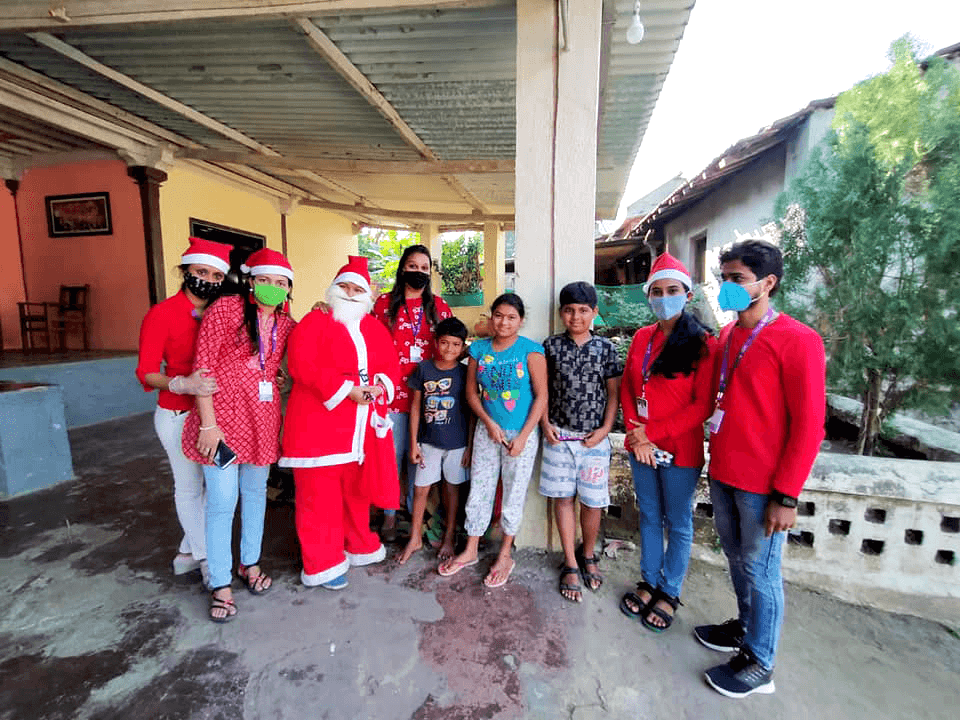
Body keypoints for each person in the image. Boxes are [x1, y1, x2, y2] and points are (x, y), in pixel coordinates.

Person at [695, 239, 825, 698]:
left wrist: (787, 495)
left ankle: (760, 661)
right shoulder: (728, 337)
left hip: (764, 486)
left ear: (768, 283)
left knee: (763, 571)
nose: (727, 287)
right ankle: (745, 629)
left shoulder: (798, 340)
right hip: (726, 472)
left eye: (737, 279)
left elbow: (810, 426)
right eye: (723, 278)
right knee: (737, 560)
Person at [182, 248, 296, 623]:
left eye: (282, 284)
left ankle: (250, 563)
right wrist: (208, 424)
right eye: (266, 280)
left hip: (261, 421)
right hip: (222, 422)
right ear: (251, 280)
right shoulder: (226, 310)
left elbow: (281, 367)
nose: (273, 288)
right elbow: (203, 368)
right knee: (221, 500)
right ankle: (220, 582)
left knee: (254, 496)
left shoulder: (286, 323)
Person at [279, 256, 401, 590]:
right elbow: (301, 365)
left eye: (356, 288)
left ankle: (359, 545)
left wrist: (380, 387)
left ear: (368, 294)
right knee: (318, 499)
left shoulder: (374, 327)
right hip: (318, 428)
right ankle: (324, 563)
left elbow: (391, 368)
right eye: (343, 286)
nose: (349, 293)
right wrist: (347, 390)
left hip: (359, 432)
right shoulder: (314, 323)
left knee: (355, 494)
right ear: (332, 289)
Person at [618, 254, 717, 631]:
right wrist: (634, 431)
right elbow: (629, 388)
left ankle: (670, 591)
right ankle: (649, 580)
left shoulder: (703, 343)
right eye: (656, 292)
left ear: (687, 294)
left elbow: (702, 406)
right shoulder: (643, 337)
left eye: (671, 291)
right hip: (640, 446)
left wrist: (649, 434)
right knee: (648, 515)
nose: (663, 298)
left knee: (677, 522)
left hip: (680, 450)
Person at [136, 238, 234, 587]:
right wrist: (180, 384)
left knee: (215, 487)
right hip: (177, 413)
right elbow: (146, 371)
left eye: (215, 275)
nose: (207, 279)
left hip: (219, 414)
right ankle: (207, 558)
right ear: (186, 272)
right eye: (200, 272)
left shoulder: (225, 313)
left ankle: (188, 548)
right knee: (189, 487)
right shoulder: (162, 314)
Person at [438, 293, 547, 588]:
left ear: (521, 321)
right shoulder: (478, 350)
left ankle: (505, 554)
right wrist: (488, 423)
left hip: (521, 435)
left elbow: (541, 397)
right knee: (480, 489)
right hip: (487, 433)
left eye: (511, 317)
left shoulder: (531, 351)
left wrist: (524, 436)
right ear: (491, 316)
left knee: (513, 494)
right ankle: (471, 549)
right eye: (498, 315)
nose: (504, 322)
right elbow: (472, 393)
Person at [539, 282, 622, 603]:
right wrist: (545, 424)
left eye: (583, 310)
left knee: (592, 501)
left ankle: (588, 555)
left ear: (594, 313)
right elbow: (542, 390)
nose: (576, 316)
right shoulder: (551, 346)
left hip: (594, 441)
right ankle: (570, 562)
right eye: (569, 310)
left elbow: (613, 394)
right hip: (559, 437)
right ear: (561, 313)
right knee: (563, 499)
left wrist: (605, 429)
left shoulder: (605, 349)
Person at [372, 244, 453, 541]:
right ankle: (390, 514)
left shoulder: (440, 308)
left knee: (417, 458)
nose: (418, 272)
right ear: (402, 268)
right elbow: (365, 340)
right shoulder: (383, 305)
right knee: (391, 457)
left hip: (430, 396)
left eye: (424, 268)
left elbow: (453, 344)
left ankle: (413, 512)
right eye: (412, 266)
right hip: (391, 394)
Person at [398, 317, 472, 565]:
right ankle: (415, 537)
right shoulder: (424, 369)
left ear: (463, 347)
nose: (449, 349)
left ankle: (449, 536)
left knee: (452, 491)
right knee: (420, 490)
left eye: (455, 344)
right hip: (428, 443)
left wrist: (470, 447)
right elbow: (416, 407)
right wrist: (413, 443)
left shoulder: (465, 373)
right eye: (444, 343)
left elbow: (472, 411)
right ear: (436, 343)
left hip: (457, 444)